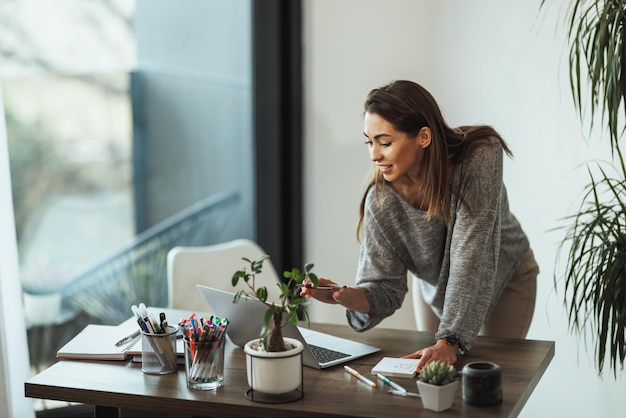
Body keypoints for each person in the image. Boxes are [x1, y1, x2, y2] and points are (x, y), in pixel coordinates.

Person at [301, 80, 538, 370]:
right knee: (433, 383)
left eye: (385, 142)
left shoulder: (478, 158)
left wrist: (450, 340)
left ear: (423, 137)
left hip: (507, 280)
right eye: (369, 142)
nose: (374, 155)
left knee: (489, 389)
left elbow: (471, 255)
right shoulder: (382, 202)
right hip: (437, 290)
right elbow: (385, 288)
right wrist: (348, 297)